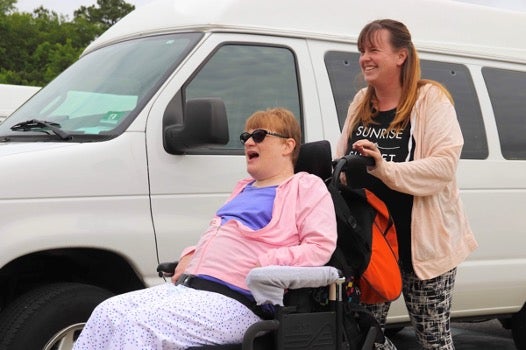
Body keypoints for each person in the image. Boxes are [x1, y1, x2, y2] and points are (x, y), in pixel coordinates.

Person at [73, 107, 337, 349]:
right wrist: (192, 253)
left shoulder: (305, 186)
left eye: (259, 135)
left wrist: (266, 262)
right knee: (107, 311)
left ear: (287, 145)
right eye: (246, 135)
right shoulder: (243, 187)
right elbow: (220, 236)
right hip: (192, 289)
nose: (248, 141)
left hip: (238, 300)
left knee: (140, 324)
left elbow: (319, 247)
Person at [336, 19, 478, 349]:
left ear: (401, 56)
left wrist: (386, 170)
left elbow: (443, 167)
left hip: (422, 249)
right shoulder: (361, 101)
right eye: (361, 51)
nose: (364, 58)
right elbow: (342, 155)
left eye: (373, 49)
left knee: (433, 341)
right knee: (362, 338)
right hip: (371, 247)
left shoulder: (430, 100)